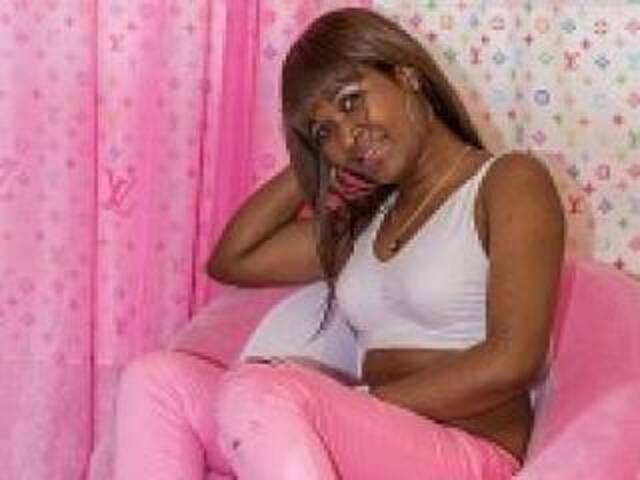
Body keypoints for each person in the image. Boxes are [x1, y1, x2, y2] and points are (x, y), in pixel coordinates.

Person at [113, 7, 566, 480]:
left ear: (407, 76)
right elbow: (233, 259)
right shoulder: (365, 223)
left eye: (351, 101)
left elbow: (513, 361)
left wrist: (350, 404)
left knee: (262, 392)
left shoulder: (507, 181)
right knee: (157, 382)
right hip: (370, 437)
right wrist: (313, 167)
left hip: (468, 452)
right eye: (324, 131)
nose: (348, 137)